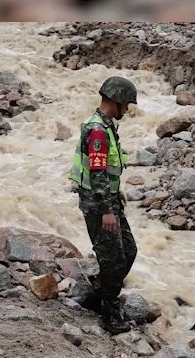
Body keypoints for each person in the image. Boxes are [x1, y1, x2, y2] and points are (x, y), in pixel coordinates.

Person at [69, 76, 138, 335]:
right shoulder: (98, 131)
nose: (128, 110)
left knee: (128, 252)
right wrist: (108, 210)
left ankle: (98, 292)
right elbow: (97, 173)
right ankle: (109, 315)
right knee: (114, 260)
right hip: (99, 206)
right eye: (126, 105)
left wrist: (115, 194)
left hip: (108, 201)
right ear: (117, 101)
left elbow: (105, 171)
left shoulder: (106, 126)